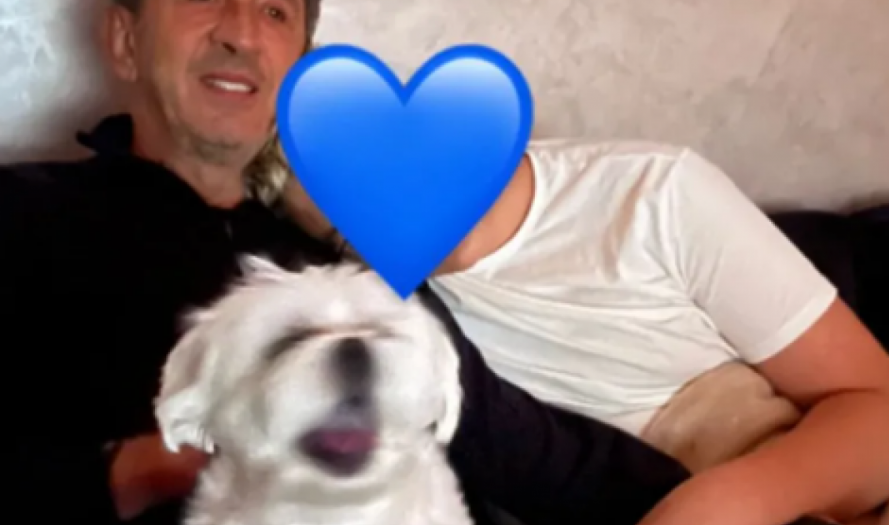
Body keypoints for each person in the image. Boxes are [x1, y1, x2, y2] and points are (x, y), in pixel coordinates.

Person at [0, 2, 694, 525]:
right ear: (125, 41)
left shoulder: (342, 257)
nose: (242, 32)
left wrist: (710, 492)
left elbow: (514, 442)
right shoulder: (24, 212)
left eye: (276, 12)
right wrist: (136, 471)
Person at [277, 116, 889, 523]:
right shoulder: (418, 321)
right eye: (344, 229)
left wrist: (728, 503)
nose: (379, 220)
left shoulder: (656, 192)